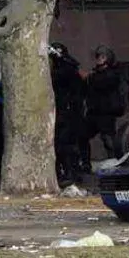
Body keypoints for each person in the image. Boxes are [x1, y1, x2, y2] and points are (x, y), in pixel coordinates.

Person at [49, 42, 85, 186]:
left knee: (66, 144)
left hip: (68, 112)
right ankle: (64, 173)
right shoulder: (64, 69)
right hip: (61, 111)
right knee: (60, 144)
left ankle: (72, 173)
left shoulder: (67, 70)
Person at [84, 44, 125, 159]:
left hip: (106, 112)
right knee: (82, 135)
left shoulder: (112, 74)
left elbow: (102, 82)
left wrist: (88, 78)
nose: (99, 59)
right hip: (94, 112)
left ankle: (116, 160)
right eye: (98, 56)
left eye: (102, 57)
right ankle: (84, 163)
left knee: (109, 140)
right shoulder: (95, 73)